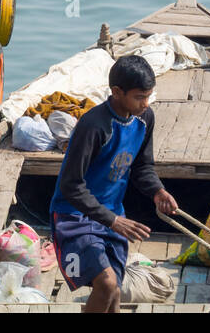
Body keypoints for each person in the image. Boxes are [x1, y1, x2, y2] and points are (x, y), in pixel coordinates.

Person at [50, 54, 177, 313]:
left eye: (148, 96)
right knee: (107, 284)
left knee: (114, 290)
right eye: (140, 97)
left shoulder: (145, 119)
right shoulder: (93, 126)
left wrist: (157, 190)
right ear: (117, 92)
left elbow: (142, 166)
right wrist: (113, 220)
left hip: (113, 214)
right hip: (74, 215)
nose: (146, 103)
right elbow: (71, 185)